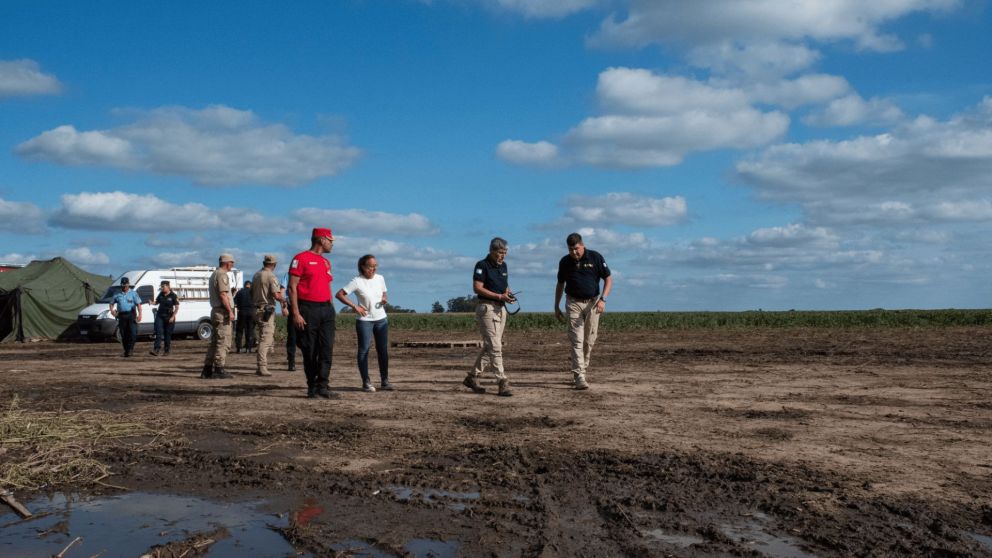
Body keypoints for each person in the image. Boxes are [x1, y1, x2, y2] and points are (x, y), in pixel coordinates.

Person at [554, 232, 612, 390]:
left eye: (576, 249)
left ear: (583, 246)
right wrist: (556, 306)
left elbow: (608, 279)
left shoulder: (595, 257)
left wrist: (603, 299)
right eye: (570, 249)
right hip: (573, 303)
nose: (574, 252)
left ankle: (582, 368)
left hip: (593, 303)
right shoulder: (564, 262)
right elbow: (560, 284)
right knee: (576, 340)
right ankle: (579, 375)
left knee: (589, 340)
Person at [288, 227, 336, 399]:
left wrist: (331, 307)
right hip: (308, 309)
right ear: (321, 240)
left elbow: (328, 285)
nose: (332, 244)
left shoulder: (326, 262)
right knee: (310, 349)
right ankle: (312, 386)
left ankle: (323, 385)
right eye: (330, 240)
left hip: (326, 310)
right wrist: (296, 313)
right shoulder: (300, 259)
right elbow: (292, 287)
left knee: (326, 349)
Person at [464, 237, 515, 397]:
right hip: (487, 308)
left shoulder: (504, 266)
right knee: (495, 346)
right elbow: (477, 288)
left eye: (505, 252)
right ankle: (502, 381)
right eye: (500, 252)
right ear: (491, 251)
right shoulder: (482, 265)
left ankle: (472, 377)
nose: (503, 256)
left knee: (491, 346)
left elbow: (504, 285)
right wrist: (499, 296)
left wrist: (508, 294)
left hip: (501, 309)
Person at [335, 254, 394, 392]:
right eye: (370, 266)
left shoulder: (380, 278)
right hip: (365, 321)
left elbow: (384, 293)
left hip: (381, 319)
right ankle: (366, 382)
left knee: (383, 350)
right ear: (362, 267)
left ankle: (385, 381)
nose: (374, 269)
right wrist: (355, 306)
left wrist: (384, 299)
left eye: (375, 266)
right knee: (364, 350)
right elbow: (339, 294)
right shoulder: (357, 281)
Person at [201, 253, 236, 379]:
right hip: (222, 312)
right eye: (232, 262)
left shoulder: (214, 274)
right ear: (227, 263)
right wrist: (230, 311)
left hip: (216, 311)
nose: (233, 265)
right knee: (223, 341)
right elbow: (223, 295)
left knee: (215, 342)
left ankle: (207, 369)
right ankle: (219, 368)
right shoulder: (222, 275)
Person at [251, 255, 284, 377]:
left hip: (256, 309)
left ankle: (260, 366)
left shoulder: (256, 275)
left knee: (262, 338)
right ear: (274, 265)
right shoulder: (271, 276)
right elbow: (276, 294)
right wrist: (284, 300)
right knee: (266, 339)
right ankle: (262, 366)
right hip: (266, 311)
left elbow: (251, 292)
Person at [109, 276, 142, 357]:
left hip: (131, 315)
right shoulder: (117, 294)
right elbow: (111, 303)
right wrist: (112, 311)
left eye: (126, 284)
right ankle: (126, 350)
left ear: (128, 284)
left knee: (133, 333)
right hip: (121, 315)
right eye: (123, 284)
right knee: (123, 334)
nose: (124, 286)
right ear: (121, 284)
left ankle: (130, 349)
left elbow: (138, 304)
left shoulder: (133, 293)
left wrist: (140, 314)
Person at [150, 280, 179, 356]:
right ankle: (156, 350)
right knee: (158, 332)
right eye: (161, 287)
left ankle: (166, 351)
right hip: (160, 316)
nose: (162, 288)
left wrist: (172, 317)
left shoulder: (173, 295)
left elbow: (176, 307)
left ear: (168, 286)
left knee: (167, 334)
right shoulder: (161, 294)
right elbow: (157, 302)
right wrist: (152, 303)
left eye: (163, 286)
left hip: (169, 317)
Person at [233, 280, 255, 353]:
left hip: (242, 313)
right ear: (250, 285)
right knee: (249, 331)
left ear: (244, 285)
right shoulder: (253, 293)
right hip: (251, 313)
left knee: (239, 330)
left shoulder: (240, 292)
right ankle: (248, 348)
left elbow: (234, 303)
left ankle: (239, 348)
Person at [280, 284, 297, 371]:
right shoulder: (288, 277)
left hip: (306, 307)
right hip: (292, 307)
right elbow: (282, 292)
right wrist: (284, 307)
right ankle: (291, 362)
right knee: (292, 337)